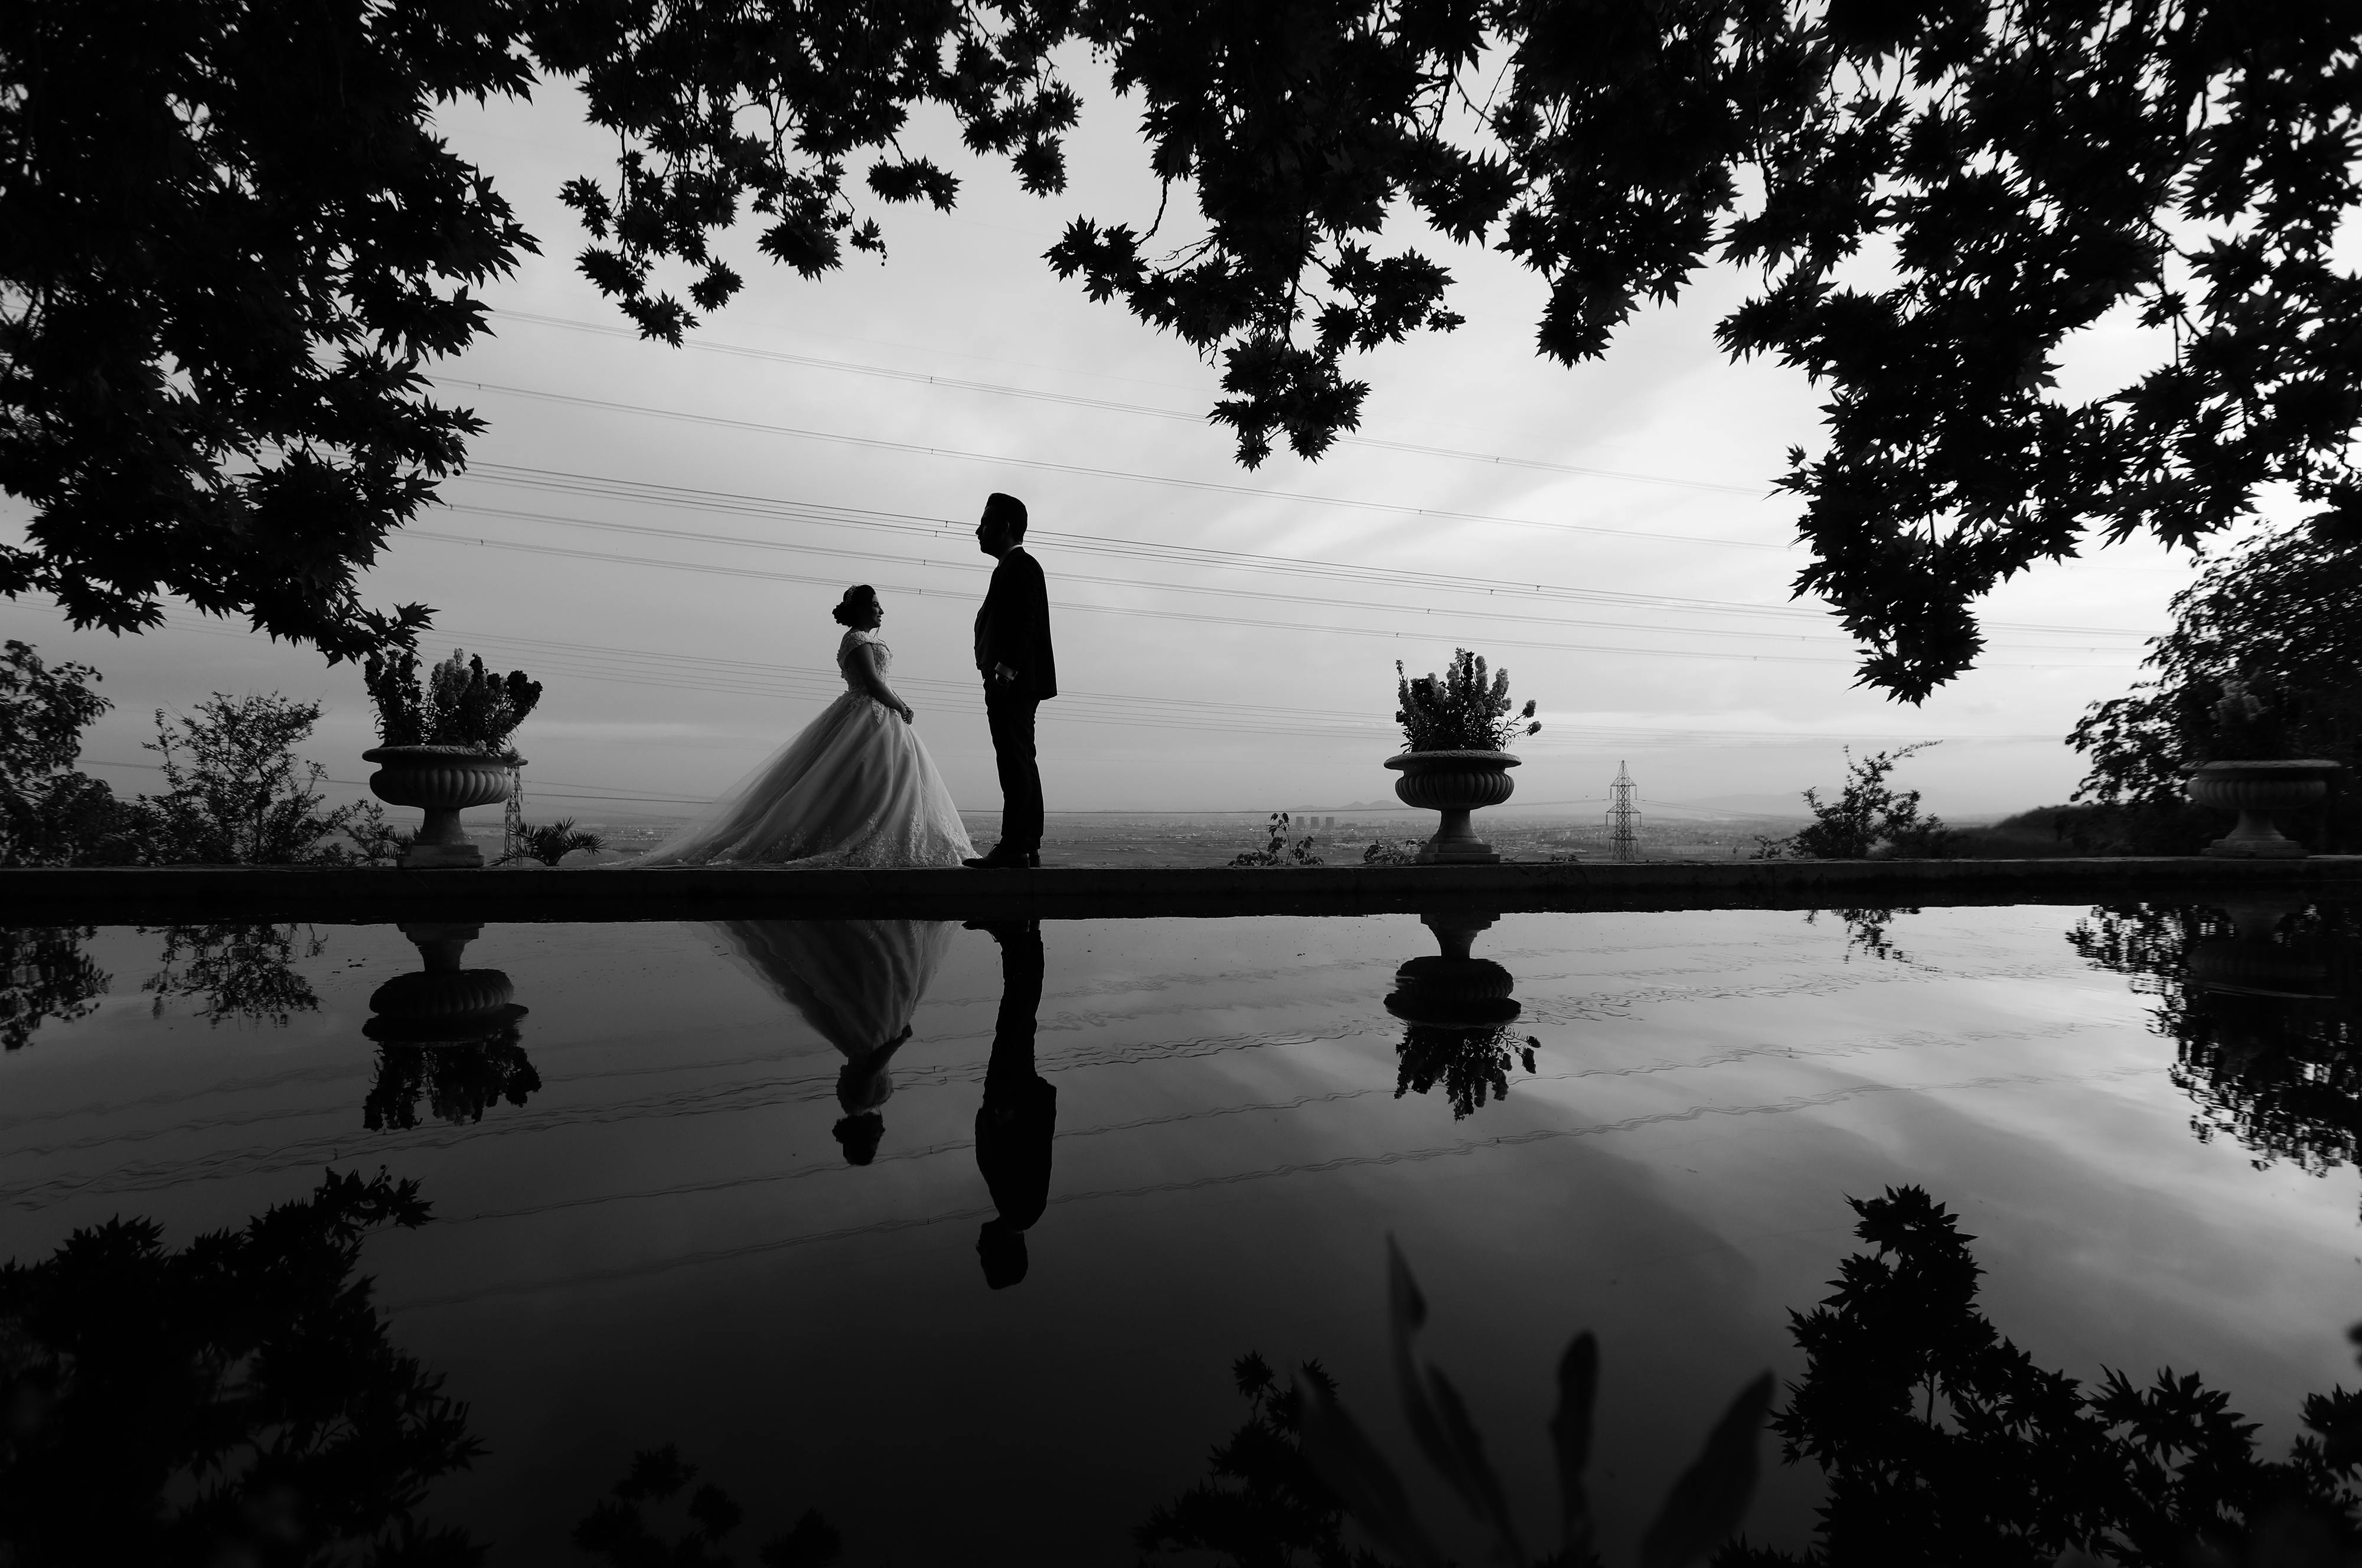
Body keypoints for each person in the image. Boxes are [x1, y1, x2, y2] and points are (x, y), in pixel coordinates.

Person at [627, 586, 975, 868]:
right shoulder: (857, 640)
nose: (881, 611)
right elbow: (870, 681)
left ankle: (883, 836)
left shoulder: (863, 641)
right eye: (875, 605)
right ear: (860, 610)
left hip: (876, 715)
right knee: (868, 777)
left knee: (876, 781)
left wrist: (897, 704)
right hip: (868, 715)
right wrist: (901, 706)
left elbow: (878, 680)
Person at [707, 919, 955, 1165]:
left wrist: (899, 1041)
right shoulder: (850, 1102)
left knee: (882, 976)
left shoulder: (862, 1101)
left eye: (873, 1140)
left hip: (873, 1038)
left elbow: (872, 1068)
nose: (879, 1135)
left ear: (862, 1136)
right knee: (868, 979)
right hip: (864, 1038)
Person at [965, 492, 1055, 869]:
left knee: (1014, 760)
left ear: (1003, 527)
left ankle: (1016, 845)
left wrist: (1005, 669)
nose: (977, 530)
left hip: (1012, 681)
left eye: (984, 523)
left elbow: (1025, 621)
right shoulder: (1010, 566)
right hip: (1012, 678)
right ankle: (1025, 844)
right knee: (1019, 759)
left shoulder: (1022, 566)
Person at [971, 919, 1053, 1288]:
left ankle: (1020, 939)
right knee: (1017, 1017)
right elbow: (1033, 1149)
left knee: (1016, 1018)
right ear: (1002, 1252)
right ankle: (1023, 938)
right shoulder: (1021, 1209)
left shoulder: (1020, 1210)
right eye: (986, 1257)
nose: (978, 1248)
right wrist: (1012, 1116)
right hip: (1011, 1097)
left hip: (1009, 1098)